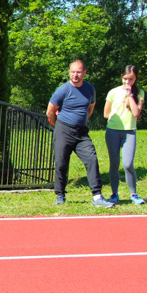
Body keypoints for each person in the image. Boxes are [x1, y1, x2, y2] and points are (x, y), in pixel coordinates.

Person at [46, 60, 114, 207]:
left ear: (84, 73)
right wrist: (56, 123)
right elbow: (50, 111)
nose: (75, 75)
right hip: (63, 130)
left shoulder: (90, 89)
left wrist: (80, 121)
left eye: (78, 72)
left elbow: (90, 108)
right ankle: (60, 195)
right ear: (69, 72)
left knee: (92, 159)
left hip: (82, 133)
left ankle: (97, 197)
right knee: (61, 163)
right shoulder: (62, 90)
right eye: (72, 72)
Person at [103, 65, 146, 205]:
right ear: (122, 76)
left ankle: (133, 194)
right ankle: (114, 193)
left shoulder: (139, 93)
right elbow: (106, 113)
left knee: (128, 164)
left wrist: (130, 96)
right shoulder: (113, 92)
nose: (128, 82)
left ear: (135, 79)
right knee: (114, 163)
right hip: (113, 131)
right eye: (125, 79)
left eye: (131, 79)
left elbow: (136, 113)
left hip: (130, 131)